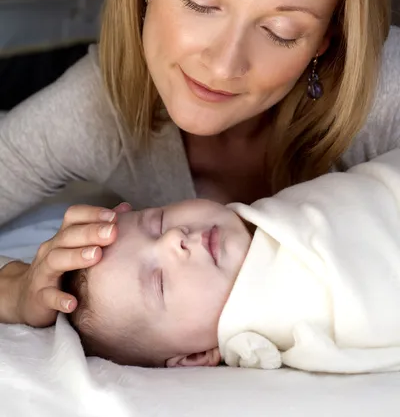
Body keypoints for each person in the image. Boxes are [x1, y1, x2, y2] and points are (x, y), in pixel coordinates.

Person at [0, 0, 397, 327]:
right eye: (201, 2)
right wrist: (14, 291)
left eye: (281, 31)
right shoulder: (99, 107)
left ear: (328, 38)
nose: (225, 64)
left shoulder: (381, 91)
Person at [60, 149, 400, 374]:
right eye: (159, 281)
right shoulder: (288, 316)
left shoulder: (265, 216)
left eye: (156, 222)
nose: (172, 238)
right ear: (195, 357)